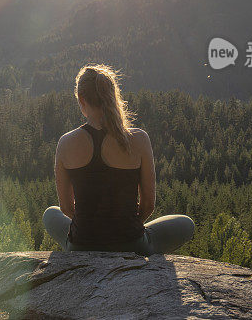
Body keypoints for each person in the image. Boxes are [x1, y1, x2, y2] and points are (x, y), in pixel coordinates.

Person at [42, 64, 195, 255]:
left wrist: (93, 227)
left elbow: (65, 207)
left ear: (81, 100)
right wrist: (123, 229)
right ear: (113, 96)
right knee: (186, 223)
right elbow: (148, 204)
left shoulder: (66, 143)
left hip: (81, 245)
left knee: (51, 213)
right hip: (132, 244)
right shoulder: (139, 139)